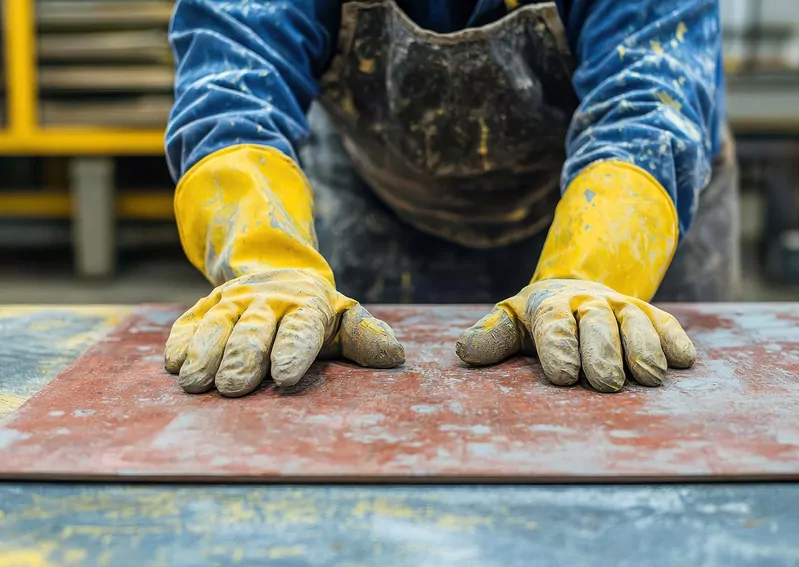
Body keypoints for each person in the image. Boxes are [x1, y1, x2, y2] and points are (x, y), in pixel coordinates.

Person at [163, 0, 738, 397]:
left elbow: (647, 107)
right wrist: (271, 265)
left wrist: (590, 275)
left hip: (631, 202)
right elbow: (233, 92)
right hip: (382, 200)